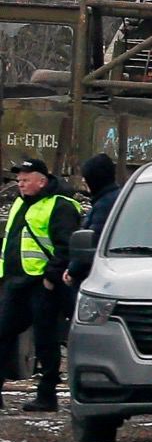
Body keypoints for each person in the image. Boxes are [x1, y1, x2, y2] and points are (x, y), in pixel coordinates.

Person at [0, 158, 81, 411]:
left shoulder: (60, 205)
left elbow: (67, 246)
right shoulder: (19, 204)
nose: (20, 184)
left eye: (25, 180)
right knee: (3, 334)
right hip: (16, 282)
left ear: (42, 181)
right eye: (19, 180)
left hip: (41, 284)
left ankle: (47, 394)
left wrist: (50, 277)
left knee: (45, 339)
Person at [63, 153, 120, 288]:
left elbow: (91, 242)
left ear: (94, 180)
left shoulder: (103, 206)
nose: (84, 182)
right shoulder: (117, 198)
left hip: (95, 277)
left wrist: (73, 271)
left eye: (86, 179)